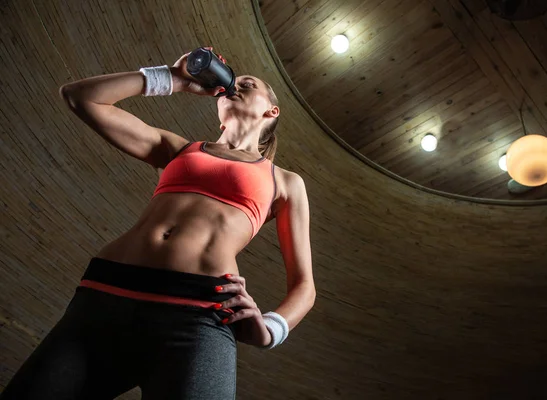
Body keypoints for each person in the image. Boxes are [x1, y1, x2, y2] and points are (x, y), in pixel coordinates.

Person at [0, 48, 316, 400]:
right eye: (232, 82)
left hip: (197, 318)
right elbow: (80, 97)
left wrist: (271, 329)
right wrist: (172, 78)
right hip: (105, 298)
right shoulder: (179, 150)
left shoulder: (285, 182)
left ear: (271, 111)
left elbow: (304, 286)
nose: (235, 85)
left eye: (248, 83)